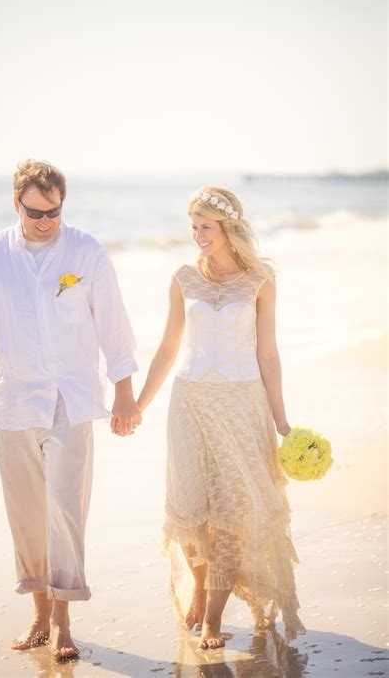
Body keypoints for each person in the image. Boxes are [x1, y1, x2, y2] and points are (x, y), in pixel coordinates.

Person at [0, 160, 141, 662]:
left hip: (72, 401)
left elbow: (113, 325)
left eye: (54, 212)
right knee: (27, 514)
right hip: (14, 404)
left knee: (66, 511)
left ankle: (65, 622)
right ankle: (39, 616)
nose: (46, 222)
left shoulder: (85, 251)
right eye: (35, 212)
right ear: (16, 204)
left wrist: (125, 392)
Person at [137, 186, 305, 649]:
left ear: (228, 229)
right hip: (188, 403)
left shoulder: (260, 280)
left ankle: (212, 619)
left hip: (242, 404)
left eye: (205, 227)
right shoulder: (183, 278)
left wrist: (281, 419)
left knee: (232, 514)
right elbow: (168, 348)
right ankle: (198, 585)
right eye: (193, 227)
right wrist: (138, 404)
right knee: (191, 509)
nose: (197, 236)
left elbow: (268, 355)